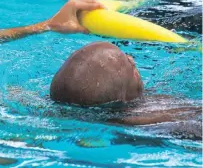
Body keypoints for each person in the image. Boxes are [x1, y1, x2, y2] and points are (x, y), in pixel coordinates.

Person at [50, 42, 201, 129]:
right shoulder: (167, 118)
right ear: (125, 97)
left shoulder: (59, 114)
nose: (131, 58)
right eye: (129, 63)